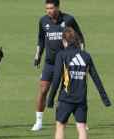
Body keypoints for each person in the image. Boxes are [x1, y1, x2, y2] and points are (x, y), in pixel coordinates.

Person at [47, 27, 111, 139]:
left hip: (65, 98)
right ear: (76, 40)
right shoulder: (86, 56)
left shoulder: (62, 55)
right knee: (81, 128)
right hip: (81, 100)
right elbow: (96, 78)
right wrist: (105, 99)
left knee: (60, 126)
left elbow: (57, 78)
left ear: (64, 41)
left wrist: (50, 99)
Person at [32, 0, 85, 131]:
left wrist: (81, 55)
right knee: (43, 90)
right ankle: (38, 121)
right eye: (47, 8)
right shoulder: (43, 21)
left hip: (67, 63)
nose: (49, 11)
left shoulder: (69, 19)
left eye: (51, 8)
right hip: (50, 63)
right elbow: (41, 39)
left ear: (57, 7)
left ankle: (81, 121)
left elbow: (80, 38)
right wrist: (38, 54)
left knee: (69, 92)